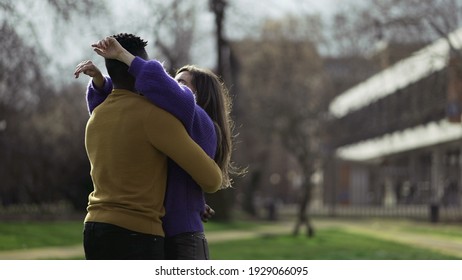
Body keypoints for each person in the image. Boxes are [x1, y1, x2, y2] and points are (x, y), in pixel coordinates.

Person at [75, 35, 239, 259]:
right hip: (155, 233)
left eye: (180, 84)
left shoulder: (199, 120)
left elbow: (156, 92)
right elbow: (121, 111)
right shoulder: (158, 120)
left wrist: (124, 58)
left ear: (197, 97)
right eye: (172, 79)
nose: (169, 84)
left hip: (183, 238)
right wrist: (102, 82)